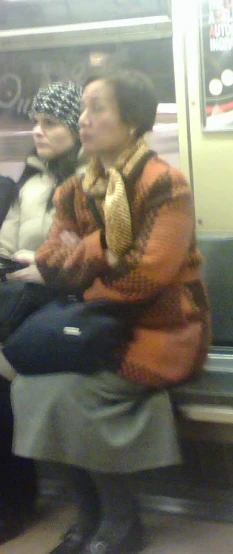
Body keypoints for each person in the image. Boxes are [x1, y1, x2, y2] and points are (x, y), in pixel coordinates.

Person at [9, 68, 211, 554]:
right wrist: (105, 253)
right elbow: (52, 264)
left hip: (164, 328)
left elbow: (149, 276)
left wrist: (91, 249)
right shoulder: (74, 190)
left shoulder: (165, 185)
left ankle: (121, 522)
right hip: (98, 324)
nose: (85, 119)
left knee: (75, 394)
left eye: (98, 109)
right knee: (34, 388)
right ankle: (90, 513)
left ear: (133, 120)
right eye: (84, 110)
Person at [0, 81, 85, 546]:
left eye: (49, 123)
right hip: (18, 294)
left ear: (75, 128)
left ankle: (13, 503)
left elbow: (87, 255)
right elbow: (6, 244)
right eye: (35, 122)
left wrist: (48, 270)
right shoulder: (29, 182)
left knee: (3, 379)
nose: (37, 131)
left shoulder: (90, 183)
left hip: (64, 303)